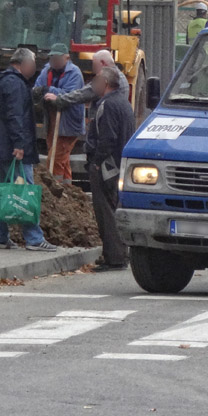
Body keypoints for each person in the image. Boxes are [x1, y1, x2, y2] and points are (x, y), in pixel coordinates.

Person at [0, 47, 57, 251]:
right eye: (33, 65)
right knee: (25, 190)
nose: (34, 70)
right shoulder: (15, 84)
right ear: (23, 64)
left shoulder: (0, 81)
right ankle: (34, 239)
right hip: (14, 149)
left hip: (0, 148)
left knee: (1, 190)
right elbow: (15, 116)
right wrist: (20, 145)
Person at [86, 67, 136, 270]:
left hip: (107, 167)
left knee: (106, 211)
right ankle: (119, 254)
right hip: (119, 165)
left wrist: (97, 162)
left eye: (96, 81)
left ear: (105, 84)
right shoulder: (124, 103)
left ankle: (114, 258)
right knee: (115, 208)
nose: (93, 85)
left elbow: (107, 138)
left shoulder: (107, 105)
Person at [33, 43, 84, 184]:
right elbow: (39, 86)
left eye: (56, 58)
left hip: (68, 122)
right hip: (52, 119)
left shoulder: (74, 73)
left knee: (55, 158)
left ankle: (54, 187)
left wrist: (50, 90)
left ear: (66, 58)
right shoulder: (46, 70)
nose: (53, 61)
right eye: (52, 58)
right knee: (62, 157)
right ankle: (68, 188)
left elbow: (71, 94)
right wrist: (38, 91)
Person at [44, 49, 129, 111]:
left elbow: (84, 94)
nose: (93, 68)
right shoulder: (120, 76)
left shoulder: (106, 78)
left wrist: (59, 99)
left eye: (94, 64)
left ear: (102, 63)